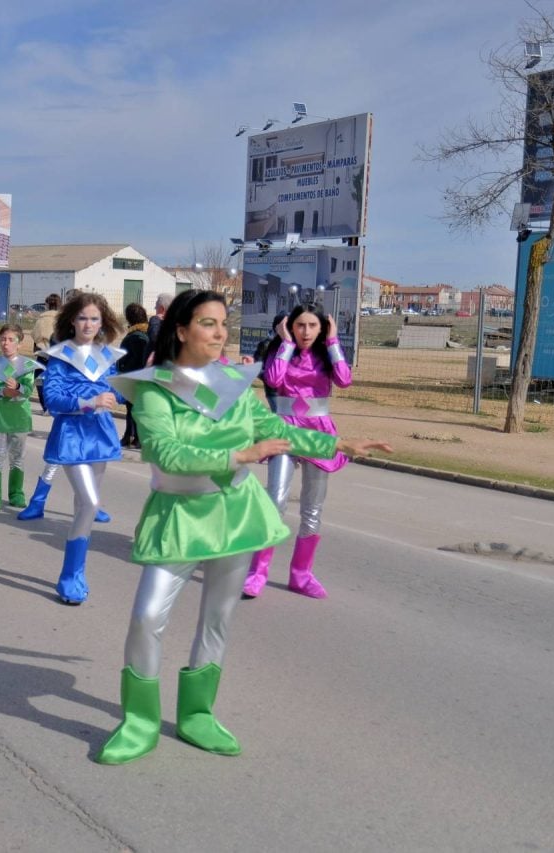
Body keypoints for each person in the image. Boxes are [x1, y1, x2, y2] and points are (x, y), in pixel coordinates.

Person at [96, 290, 390, 764]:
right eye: (208, 323)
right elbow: (166, 453)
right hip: (181, 515)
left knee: (217, 618)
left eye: (222, 324)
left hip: (235, 514)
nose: (219, 332)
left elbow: (276, 429)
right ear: (181, 330)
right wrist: (240, 455)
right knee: (148, 616)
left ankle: (197, 715)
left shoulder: (229, 384)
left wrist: (342, 444)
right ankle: (139, 721)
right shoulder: (155, 389)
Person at [242, 304, 353, 599]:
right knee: (275, 500)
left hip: (318, 433)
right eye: (300, 325)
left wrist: (333, 342)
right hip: (286, 428)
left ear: (322, 328)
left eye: (312, 326)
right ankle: (257, 572)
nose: (306, 332)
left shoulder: (327, 354)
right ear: (291, 327)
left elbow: (344, 379)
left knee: (312, 508)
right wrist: (286, 344)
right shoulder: (282, 350)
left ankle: (301, 575)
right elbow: (274, 380)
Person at [36, 292, 125, 604]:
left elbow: (117, 394)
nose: (89, 323)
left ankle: (78, 570)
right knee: (90, 502)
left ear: (103, 322)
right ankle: (70, 575)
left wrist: (135, 386)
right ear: (72, 320)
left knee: (83, 507)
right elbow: (54, 400)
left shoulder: (107, 356)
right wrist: (90, 401)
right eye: (83, 317)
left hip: (100, 435)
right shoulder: (60, 356)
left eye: (95, 318)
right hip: (72, 436)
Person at [0, 323, 41, 512]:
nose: (6, 343)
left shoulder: (27, 366)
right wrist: (2, 391)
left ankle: (16, 493)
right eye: (3, 339)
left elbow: (28, 390)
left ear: (19, 343)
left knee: (17, 458)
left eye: (10, 340)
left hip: (19, 418)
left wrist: (17, 388)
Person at [117, 303, 152, 449]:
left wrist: (121, 367)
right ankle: (136, 437)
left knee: (131, 408)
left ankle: (129, 437)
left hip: (132, 375)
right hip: (145, 375)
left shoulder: (132, 337)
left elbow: (124, 357)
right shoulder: (149, 333)